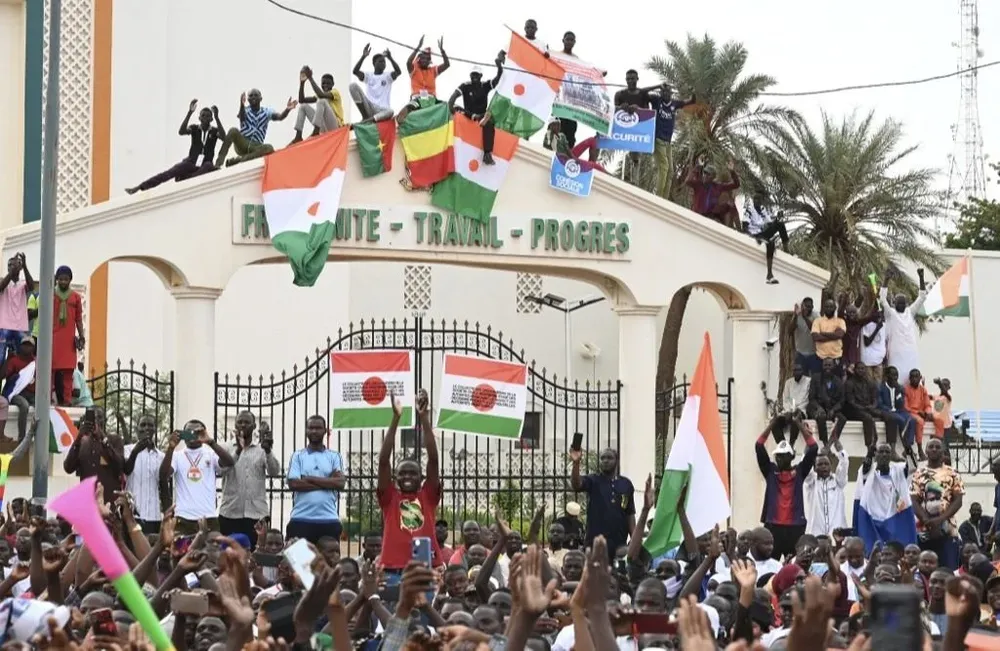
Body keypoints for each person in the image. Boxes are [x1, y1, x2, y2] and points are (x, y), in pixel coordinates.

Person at [378, 389, 443, 574]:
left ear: (421, 477)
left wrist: (424, 418)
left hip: (426, 566)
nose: (407, 477)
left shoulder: (428, 496)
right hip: (393, 567)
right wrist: (396, 418)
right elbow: (383, 462)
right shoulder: (390, 498)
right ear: (395, 478)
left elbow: (433, 459)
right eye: (402, 473)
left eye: (413, 473)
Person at [125, 101, 223, 194]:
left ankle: (186, 178)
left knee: (209, 166)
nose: (205, 118)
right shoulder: (194, 128)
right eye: (203, 116)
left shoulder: (214, 131)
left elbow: (223, 137)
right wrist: (190, 112)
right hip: (191, 162)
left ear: (211, 119)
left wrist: (217, 118)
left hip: (204, 164)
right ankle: (140, 187)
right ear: (199, 118)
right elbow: (181, 131)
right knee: (171, 172)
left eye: (208, 116)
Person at [754, 419, 818, 560]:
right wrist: (772, 424)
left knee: (795, 565)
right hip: (773, 526)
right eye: (777, 456)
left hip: (795, 527)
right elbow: (759, 445)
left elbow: (813, 448)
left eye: (783, 456)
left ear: (791, 457)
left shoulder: (799, 471)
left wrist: (798, 424)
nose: (779, 459)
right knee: (770, 564)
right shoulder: (770, 471)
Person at [159, 418, 235, 533]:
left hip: (208, 517)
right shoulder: (176, 455)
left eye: (197, 432)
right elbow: (163, 475)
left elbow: (229, 463)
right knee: (181, 551)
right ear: (183, 435)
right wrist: (171, 448)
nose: (192, 435)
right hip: (183, 518)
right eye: (189, 432)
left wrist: (210, 442)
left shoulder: (210, 454)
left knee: (211, 551)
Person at [219, 411, 281, 547]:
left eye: (247, 422)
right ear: (234, 425)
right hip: (230, 513)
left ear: (254, 426)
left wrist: (268, 451)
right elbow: (220, 471)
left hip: (256, 515)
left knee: (255, 555)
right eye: (239, 422)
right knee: (230, 556)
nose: (242, 425)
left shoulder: (261, 449)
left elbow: (274, 472)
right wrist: (237, 452)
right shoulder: (225, 448)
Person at [285, 414, 344, 544]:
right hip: (300, 519)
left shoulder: (334, 456)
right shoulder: (298, 456)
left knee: (328, 563)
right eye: (311, 428)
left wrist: (308, 478)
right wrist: (328, 482)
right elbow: (293, 484)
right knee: (299, 563)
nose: (314, 431)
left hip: (329, 519)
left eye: (318, 428)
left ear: (325, 430)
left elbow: (340, 483)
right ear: (306, 430)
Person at [570, 446, 636, 560]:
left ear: (617, 460)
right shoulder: (593, 480)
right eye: (602, 458)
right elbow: (576, 484)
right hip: (595, 545)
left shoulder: (626, 484)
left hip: (619, 547)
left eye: (609, 458)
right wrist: (576, 462)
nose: (605, 460)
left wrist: (635, 541)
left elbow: (630, 514)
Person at [911, 438, 964, 569]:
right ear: (926, 451)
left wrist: (939, 520)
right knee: (924, 570)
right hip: (924, 531)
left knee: (948, 571)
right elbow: (914, 501)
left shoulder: (953, 473)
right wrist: (928, 521)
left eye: (937, 447)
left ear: (943, 451)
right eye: (931, 447)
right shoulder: (918, 474)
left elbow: (958, 501)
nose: (934, 449)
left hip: (948, 531)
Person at [855, 442, 916, 553]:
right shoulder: (869, 471)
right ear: (876, 454)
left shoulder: (898, 470)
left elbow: (912, 467)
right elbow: (865, 468)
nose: (884, 454)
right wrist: (869, 453)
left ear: (891, 455)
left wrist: (907, 447)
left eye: (887, 452)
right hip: (873, 519)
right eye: (881, 451)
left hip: (895, 519)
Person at [447, 52, 504, 165]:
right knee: (458, 107)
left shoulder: (485, 85)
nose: (474, 77)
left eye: (476, 75)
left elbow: (497, 79)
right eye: (472, 75)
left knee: (489, 121)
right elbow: (453, 97)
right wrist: (451, 108)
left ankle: (487, 155)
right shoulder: (465, 86)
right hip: (468, 114)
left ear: (480, 76)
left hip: (482, 115)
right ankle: (477, 118)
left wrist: (499, 67)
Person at [214, 89, 295, 168]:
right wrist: (242, 104)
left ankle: (239, 160)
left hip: (256, 146)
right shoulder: (245, 110)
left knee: (269, 148)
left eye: (256, 95)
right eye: (251, 96)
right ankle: (218, 163)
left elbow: (280, 117)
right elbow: (242, 117)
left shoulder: (266, 112)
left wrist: (287, 110)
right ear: (248, 99)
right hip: (243, 142)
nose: (253, 97)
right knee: (233, 130)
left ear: (261, 98)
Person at [63, 406, 125, 504]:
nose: (95, 421)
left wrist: (103, 438)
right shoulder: (82, 443)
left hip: (108, 505)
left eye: (99, 417)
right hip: (88, 505)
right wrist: (79, 437)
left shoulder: (114, 440)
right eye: (92, 418)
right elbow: (68, 468)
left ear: (105, 420)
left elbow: (120, 465)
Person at [879, 270, 927, 381]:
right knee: (896, 378)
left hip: (911, 352)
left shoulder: (910, 312)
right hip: (896, 353)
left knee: (913, 379)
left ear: (906, 304)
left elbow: (922, 297)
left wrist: (921, 277)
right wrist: (886, 279)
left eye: (903, 303)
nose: (901, 305)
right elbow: (882, 299)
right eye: (898, 302)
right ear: (894, 303)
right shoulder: (891, 313)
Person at [649, 84, 695, 199]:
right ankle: (658, 197)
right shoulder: (656, 101)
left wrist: (693, 92)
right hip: (657, 139)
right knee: (664, 167)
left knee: (670, 172)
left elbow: (690, 101)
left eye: (668, 92)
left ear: (671, 93)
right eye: (663, 92)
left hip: (668, 142)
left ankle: (664, 198)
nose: (665, 95)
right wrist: (657, 86)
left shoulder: (675, 103)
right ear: (660, 93)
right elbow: (644, 94)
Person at [123, 413, 166, 534]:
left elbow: (163, 486)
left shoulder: (161, 456)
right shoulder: (127, 450)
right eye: (143, 425)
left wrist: (167, 513)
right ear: (137, 429)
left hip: (154, 516)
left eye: (150, 425)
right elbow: (126, 469)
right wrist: (136, 451)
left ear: (154, 429)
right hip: (133, 515)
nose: (147, 428)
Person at [51, 266, 84, 406]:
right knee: (50, 370)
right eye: (61, 279)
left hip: (68, 339)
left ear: (70, 280)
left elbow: (78, 319)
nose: (63, 282)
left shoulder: (76, 297)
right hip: (53, 338)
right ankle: (48, 398)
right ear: (56, 279)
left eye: (66, 279)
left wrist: (81, 336)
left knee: (68, 371)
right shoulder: (50, 294)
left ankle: (67, 400)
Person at [742, 194, 789, 284]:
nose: (756, 201)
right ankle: (769, 274)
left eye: (758, 199)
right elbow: (744, 227)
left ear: (761, 201)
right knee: (770, 244)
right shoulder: (750, 210)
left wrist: (777, 218)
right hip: (755, 234)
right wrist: (752, 236)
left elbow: (770, 224)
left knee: (780, 224)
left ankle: (787, 250)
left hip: (762, 234)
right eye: (755, 199)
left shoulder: (763, 210)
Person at [804, 440, 848, 536]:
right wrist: (808, 443)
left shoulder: (838, 482)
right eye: (820, 464)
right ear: (815, 468)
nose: (823, 466)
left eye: (826, 464)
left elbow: (844, 464)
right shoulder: (811, 482)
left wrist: (840, 450)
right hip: (815, 534)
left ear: (831, 466)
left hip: (837, 535)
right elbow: (805, 466)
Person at [291, 67, 343, 144]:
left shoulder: (335, 92)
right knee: (303, 106)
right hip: (323, 127)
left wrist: (310, 78)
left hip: (335, 127)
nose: (325, 85)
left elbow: (321, 95)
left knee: (321, 100)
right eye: (323, 83)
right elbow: (302, 100)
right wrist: (302, 83)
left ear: (333, 84)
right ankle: (298, 136)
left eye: (328, 83)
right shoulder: (319, 96)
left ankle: (316, 131)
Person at [350, 44, 400, 123]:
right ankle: (365, 117)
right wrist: (363, 56)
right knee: (352, 86)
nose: (383, 63)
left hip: (382, 110)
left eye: (384, 62)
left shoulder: (387, 76)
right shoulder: (369, 76)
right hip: (370, 107)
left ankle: (367, 121)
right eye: (380, 61)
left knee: (390, 111)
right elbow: (355, 71)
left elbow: (398, 72)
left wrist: (390, 58)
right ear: (374, 63)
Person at [1, 335, 36, 443]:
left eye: (29, 345)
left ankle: (38, 435)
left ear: (33, 348)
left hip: (31, 393)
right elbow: (4, 375)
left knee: (44, 406)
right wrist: (7, 360)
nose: (27, 348)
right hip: (17, 393)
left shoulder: (36, 362)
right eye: (24, 345)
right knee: (24, 406)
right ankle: (22, 438)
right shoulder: (14, 361)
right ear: (20, 346)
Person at [877, 365, 916, 459]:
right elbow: (880, 404)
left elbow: (900, 405)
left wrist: (900, 391)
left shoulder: (899, 388)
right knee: (897, 419)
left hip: (898, 411)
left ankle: (908, 446)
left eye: (896, 375)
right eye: (893, 375)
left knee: (912, 420)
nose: (895, 378)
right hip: (885, 411)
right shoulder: (881, 388)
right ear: (887, 376)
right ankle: (893, 451)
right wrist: (889, 410)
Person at [685, 158, 740, 226]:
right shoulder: (699, 185)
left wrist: (732, 171)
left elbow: (736, 185)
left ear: (713, 177)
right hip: (695, 216)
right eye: (704, 173)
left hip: (708, 219)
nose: (705, 176)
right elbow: (688, 181)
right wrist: (698, 167)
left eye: (708, 174)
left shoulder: (717, 187)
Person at [0, 254, 33, 364]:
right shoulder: (3, 282)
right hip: (4, 327)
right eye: (10, 265)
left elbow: (31, 286)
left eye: (16, 265)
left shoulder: (23, 284)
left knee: (21, 360)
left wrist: (25, 267)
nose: (12, 267)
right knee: (0, 359)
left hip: (20, 328)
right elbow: (1, 286)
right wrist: (12, 272)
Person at [806, 358, 846, 445]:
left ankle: (833, 440)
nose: (827, 367)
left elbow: (841, 400)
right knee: (821, 416)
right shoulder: (816, 378)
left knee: (842, 418)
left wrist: (833, 410)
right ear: (822, 366)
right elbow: (811, 398)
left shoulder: (838, 381)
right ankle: (825, 442)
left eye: (829, 365)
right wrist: (819, 408)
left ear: (834, 366)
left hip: (831, 408)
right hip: (817, 407)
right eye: (825, 365)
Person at [842, 364, 880, 449]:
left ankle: (890, 446)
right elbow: (850, 402)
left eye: (863, 369)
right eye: (859, 369)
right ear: (854, 370)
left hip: (868, 408)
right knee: (867, 417)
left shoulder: (870, 383)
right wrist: (864, 408)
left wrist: (873, 406)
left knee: (888, 416)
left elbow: (875, 398)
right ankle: (869, 445)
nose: (861, 370)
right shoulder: (849, 383)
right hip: (853, 410)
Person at [772, 362, 809, 445]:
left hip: (801, 410)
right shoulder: (788, 382)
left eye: (799, 370)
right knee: (774, 423)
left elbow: (806, 400)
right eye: (795, 370)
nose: (797, 372)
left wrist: (796, 410)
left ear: (803, 371)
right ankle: (782, 444)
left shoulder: (808, 382)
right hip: (788, 411)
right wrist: (789, 411)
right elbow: (785, 399)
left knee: (796, 418)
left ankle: (791, 444)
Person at [406, 35, 450, 99]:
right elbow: (408, 62)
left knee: (445, 105)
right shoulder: (414, 69)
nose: (424, 60)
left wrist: (442, 51)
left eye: (426, 59)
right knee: (409, 107)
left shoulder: (433, 70)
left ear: (429, 62)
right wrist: (418, 46)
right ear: (419, 60)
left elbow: (447, 64)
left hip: (431, 99)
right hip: (417, 97)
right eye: (422, 58)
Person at [904, 368, 934, 460]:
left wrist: (927, 412)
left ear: (920, 378)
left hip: (921, 413)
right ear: (909, 378)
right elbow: (905, 407)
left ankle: (938, 447)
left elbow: (927, 404)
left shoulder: (923, 390)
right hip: (910, 413)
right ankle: (920, 449)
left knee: (937, 419)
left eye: (916, 377)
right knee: (919, 421)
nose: (914, 379)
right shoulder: (906, 389)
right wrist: (918, 412)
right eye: (912, 377)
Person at [810, 298, 846, 369]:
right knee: (819, 379)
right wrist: (834, 335)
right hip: (820, 357)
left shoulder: (840, 321)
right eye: (827, 306)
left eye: (831, 306)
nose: (829, 308)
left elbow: (840, 335)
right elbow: (815, 337)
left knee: (837, 379)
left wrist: (822, 333)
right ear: (824, 308)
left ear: (835, 308)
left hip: (836, 357)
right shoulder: (817, 321)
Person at [790, 297, 818, 375]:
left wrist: (805, 317)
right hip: (800, 353)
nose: (807, 309)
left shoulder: (816, 315)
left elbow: (814, 329)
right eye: (806, 306)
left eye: (809, 307)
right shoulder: (798, 316)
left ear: (812, 307)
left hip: (813, 353)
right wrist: (795, 315)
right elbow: (790, 330)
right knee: (800, 376)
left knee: (813, 377)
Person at [860, 311, 886, 382]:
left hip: (879, 361)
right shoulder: (866, 325)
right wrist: (877, 329)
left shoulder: (884, 326)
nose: (879, 315)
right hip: (868, 362)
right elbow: (867, 342)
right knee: (869, 385)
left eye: (880, 314)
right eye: (877, 313)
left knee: (878, 386)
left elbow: (885, 342)